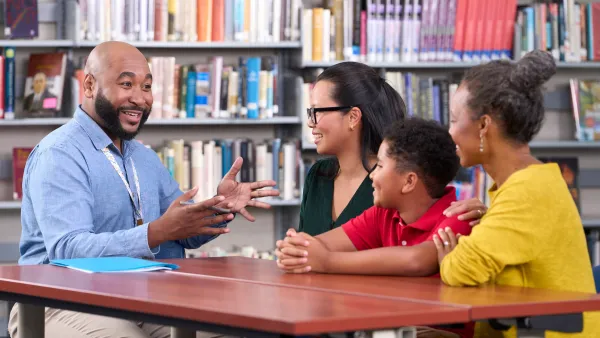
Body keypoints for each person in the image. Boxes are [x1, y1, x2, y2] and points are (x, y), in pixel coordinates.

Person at [9, 41, 279, 338]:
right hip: (57, 301)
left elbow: (180, 230)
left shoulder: (144, 157)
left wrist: (219, 207)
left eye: (147, 87)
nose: (139, 99)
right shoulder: (59, 154)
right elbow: (69, 251)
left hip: (142, 296)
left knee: (226, 332)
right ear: (89, 85)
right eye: (127, 84)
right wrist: (156, 232)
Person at [434, 49, 600, 338]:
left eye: (453, 119)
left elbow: (460, 269)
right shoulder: (529, 183)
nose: (449, 132)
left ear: (484, 126)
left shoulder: (527, 192)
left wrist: (451, 255)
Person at [276, 117, 476, 338]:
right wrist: (296, 248)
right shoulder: (383, 214)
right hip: (392, 326)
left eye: (379, 166)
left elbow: (418, 260)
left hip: (436, 331)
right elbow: (320, 243)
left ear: (409, 182)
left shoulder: (459, 215)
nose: (372, 175)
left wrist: (326, 261)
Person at [300, 61, 486, 238]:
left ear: (353, 117)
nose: (310, 122)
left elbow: (421, 249)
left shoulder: (392, 181)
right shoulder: (318, 175)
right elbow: (302, 250)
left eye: (317, 112)